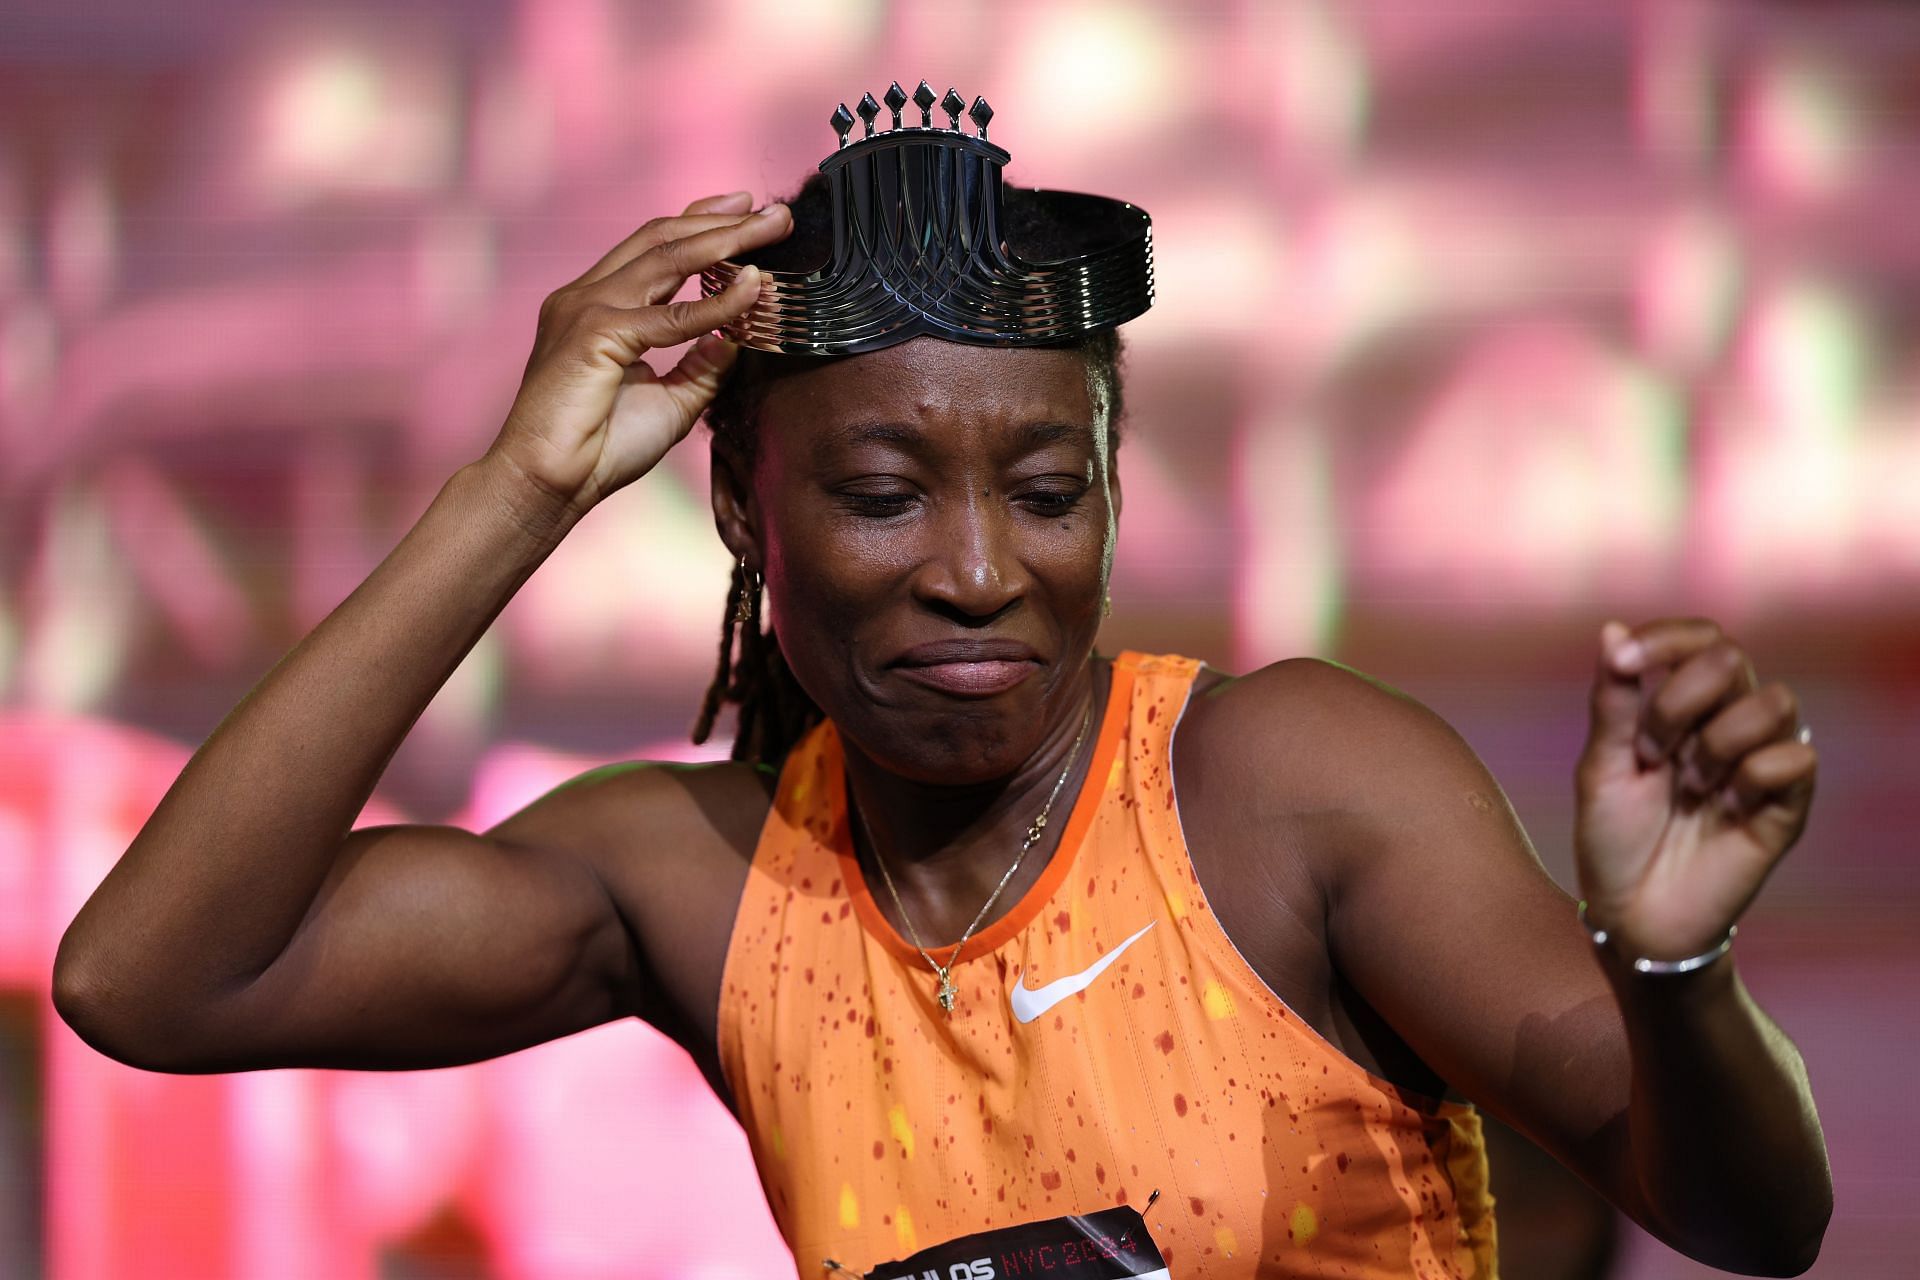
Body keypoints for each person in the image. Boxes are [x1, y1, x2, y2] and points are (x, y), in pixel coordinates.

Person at [52, 88, 1829, 1279]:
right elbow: (154, 979)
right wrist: (522, 489)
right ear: (744, 508)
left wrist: (1674, 967)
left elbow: (1752, 1216)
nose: (981, 570)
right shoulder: (707, 879)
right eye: (883, 496)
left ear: (1115, 489)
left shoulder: (1287, 784)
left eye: (1050, 493)